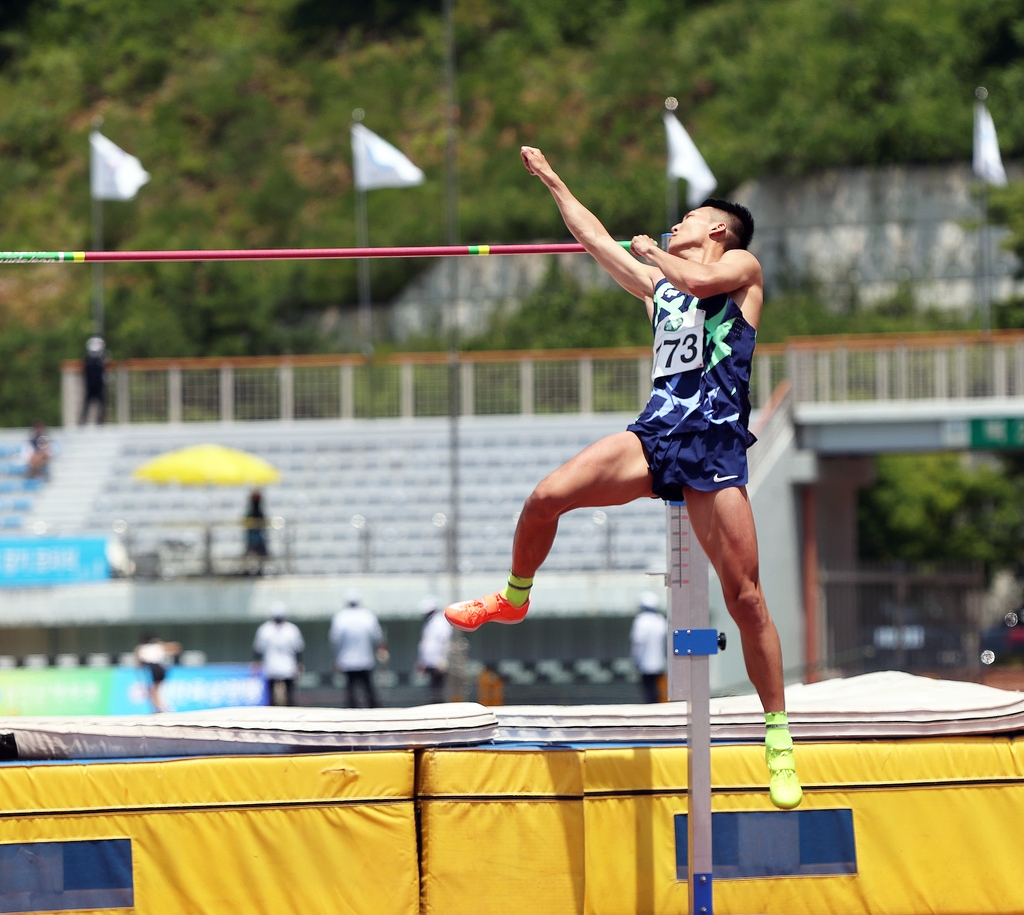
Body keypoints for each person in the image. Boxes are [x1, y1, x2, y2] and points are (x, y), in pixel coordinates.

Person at [445, 146, 801, 809]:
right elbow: (592, 239)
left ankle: (776, 736)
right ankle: (515, 594)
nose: (677, 225)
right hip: (656, 435)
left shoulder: (741, 269)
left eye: (689, 218)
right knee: (545, 497)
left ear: (718, 229)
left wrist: (654, 255)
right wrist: (553, 181)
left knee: (744, 595)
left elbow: (694, 284)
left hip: (715, 446)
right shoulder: (659, 283)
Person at [329, 589, 387, 708]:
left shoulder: (340, 618)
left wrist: (335, 659)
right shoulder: (368, 616)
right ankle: (374, 711)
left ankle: (352, 712)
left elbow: (334, 640)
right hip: (365, 659)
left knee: (350, 689)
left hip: (347, 660)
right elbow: (378, 637)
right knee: (368, 688)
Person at [253, 601, 305, 707]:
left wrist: (256, 662)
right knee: (285, 694)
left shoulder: (265, 629)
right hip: (284, 667)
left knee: (278, 695)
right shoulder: (291, 629)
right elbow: (299, 649)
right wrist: (299, 663)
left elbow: (258, 649)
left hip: (276, 667)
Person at [630, 591, 668, 704]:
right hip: (659, 662)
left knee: (648, 689)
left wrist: (634, 660)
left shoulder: (640, 621)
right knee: (657, 689)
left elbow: (637, 643)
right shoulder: (661, 620)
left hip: (644, 663)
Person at [416, 595, 452, 704]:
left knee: (438, 687)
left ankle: (439, 706)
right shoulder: (429, 624)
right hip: (430, 660)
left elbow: (444, 642)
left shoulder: (441, 623)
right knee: (433, 686)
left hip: (437, 660)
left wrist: (443, 659)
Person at [135, 634, 181, 713]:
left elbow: (140, 662)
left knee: (154, 691)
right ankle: (159, 708)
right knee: (156, 690)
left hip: (153, 668)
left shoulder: (142, 648)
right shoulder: (158, 646)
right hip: (161, 668)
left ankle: (163, 708)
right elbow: (175, 647)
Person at [80, 336, 107, 425]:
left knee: (101, 404)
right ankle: (83, 421)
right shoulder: (88, 359)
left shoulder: (102, 359)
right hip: (90, 385)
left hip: (99, 385)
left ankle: (100, 421)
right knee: (87, 404)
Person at [243, 490, 268, 574]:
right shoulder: (253, 511)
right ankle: (250, 569)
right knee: (253, 553)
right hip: (254, 537)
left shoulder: (256, 511)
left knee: (258, 554)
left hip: (257, 537)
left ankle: (258, 569)